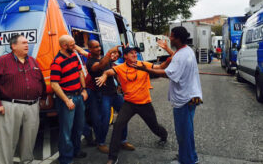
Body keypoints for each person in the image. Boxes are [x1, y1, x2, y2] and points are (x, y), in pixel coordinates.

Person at [133, 26, 203, 164]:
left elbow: (167, 73)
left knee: (183, 133)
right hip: (192, 96)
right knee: (187, 131)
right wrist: (166, 49)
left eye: (171, 36)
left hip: (184, 99)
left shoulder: (181, 56)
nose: (169, 38)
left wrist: (145, 69)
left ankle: (187, 161)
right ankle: (190, 156)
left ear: (177, 38)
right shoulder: (187, 50)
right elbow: (177, 58)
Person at [96, 47, 169, 164]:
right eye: (131, 53)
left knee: (154, 126)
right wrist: (104, 75)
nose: (135, 55)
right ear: (125, 56)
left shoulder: (143, 64)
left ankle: (164, 135)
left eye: (136, 53)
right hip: (129, 103)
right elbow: (109, 71)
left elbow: (161, 67)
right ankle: (112, 158)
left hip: (145, 103)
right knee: (118, 126)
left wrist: (170, 58)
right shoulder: (120, 67)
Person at [0, 34, 46, 164]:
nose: (27, 45)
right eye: (24, 43)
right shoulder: (3, 61)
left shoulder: (32, 61)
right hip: (9, 106)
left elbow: (40, 80)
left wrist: (43, 97)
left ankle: (27, 161)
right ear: (13, 46)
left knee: (29, 139)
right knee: (7, 140)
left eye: (27, 42)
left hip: (32, 106)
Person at [86, 40, 135, 154]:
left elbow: (114, 70)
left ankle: (123, 140)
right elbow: (100, 66)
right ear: (90, 49)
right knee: (105, 120)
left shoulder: (105, 58)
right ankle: (101, 143)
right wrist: (109, 52)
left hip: (114, 93)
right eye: (95, 47)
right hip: (103, 95)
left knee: (124, 115)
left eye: (99, 46)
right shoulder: (90, 62)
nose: (98, 48)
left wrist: (120, 85)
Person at [50, 35, 88, 164]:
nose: (75, 46)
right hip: (68, 98)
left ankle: (76, 151)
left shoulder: (73, 56)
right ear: (64, 46)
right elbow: (54, 84)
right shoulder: (57, 62)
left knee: (78, 127)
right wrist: (67, 100)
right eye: (72, 45)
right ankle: (66, 159)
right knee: (66, 131)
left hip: (78, 96)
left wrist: (84, 89)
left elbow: (80, 73)